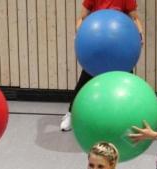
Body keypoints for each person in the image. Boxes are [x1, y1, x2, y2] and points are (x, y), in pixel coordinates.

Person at [61, 0, 144, 131]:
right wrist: (80, 32)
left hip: (119, 48)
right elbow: (82, 18)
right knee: (84, 80)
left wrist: (140, 34)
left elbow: (135, 18)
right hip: (98, 47)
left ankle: (132, 118)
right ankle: (71, 114)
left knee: (127, 82)